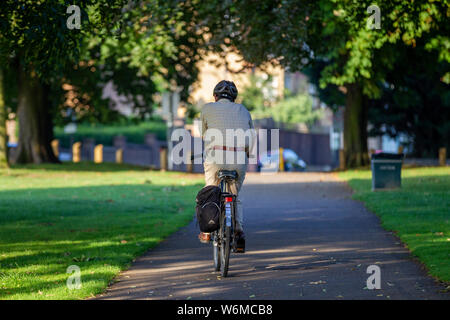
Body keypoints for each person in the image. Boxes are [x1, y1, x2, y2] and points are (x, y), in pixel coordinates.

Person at [198, 80, 255, 251]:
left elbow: (203, 134)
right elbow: (251, 138)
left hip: (215, 156)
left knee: (210, 190)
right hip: (238, 158)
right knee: (235, 193)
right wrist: (246, 153)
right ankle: (238, 230)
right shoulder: (243, 110)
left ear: (215, 96)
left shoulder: (207, 109)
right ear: (234, 98)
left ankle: (207, 232)